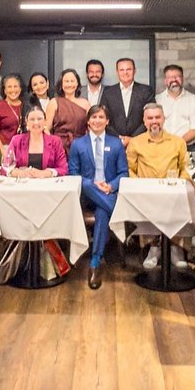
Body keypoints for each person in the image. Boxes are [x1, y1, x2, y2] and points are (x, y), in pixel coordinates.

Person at [68, 106, 128, 290]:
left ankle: (95, 262)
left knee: (102, 213)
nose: (97, 120)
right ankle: (121, 215)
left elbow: (123, 173)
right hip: (86, 194)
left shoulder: (116, 144)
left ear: (107, 121)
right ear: (88, 121)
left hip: (108, 193)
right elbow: (73, 174)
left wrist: (111, 186)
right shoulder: (78, 144)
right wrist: (94, 185)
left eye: (101, 117)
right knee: (86, 184)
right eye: (93, 117)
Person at [126, 103, 191, 268]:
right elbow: (129, 169)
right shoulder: (136, 143)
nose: (154, 121)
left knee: (183, 203)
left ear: (163, 119)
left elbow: (186, 168)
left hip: (173, 192)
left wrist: (179, 185)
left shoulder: (178, 142)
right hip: (146, 193)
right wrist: (138, 185)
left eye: (157, 117)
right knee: (147, 204)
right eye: (150, 118)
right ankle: (153, 248)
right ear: (144, 121)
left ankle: (175, 247)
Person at [100, 58, 155, 147]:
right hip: (114, 142)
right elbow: (103, 117)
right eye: (122, 70)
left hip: (140, 143)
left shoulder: (146, 91)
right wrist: (119, 138)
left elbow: (150, 117)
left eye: (128, 69)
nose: (125, 73)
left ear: (134, 71)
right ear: (117, 72)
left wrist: (132, 139)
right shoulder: (108, 92)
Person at [6, 106, 69, 178]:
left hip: (48, 184)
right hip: (23, 183)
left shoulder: (56, 141)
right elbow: (5, 167)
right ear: (26, 122)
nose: (36, 122)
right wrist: (19, 173)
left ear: (45, 121)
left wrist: (46, 173)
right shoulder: (16, 140)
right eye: (32, 119)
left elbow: (63, 169)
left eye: (39, 119)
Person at [155, 64, 195, 153]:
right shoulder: (157, 100)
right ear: (165, 81)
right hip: (162, 148)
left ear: (183, 79)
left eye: (177, 76)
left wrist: (176, 144)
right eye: (170, 77)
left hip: (188, 148)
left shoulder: (194, 100)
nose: (174, 80)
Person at [45, 69, 90, 154]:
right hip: (59, 147)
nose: (69, 84)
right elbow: (46, 128)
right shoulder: (54, 102)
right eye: (66, 81)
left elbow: (90, 127)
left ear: (77, 83)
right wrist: (53, 144)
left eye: (72, 81)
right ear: (61, 84)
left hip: (81, 146)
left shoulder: (85, 103)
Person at [0, 73, 27, 151]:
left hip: (26, 149)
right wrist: (3, 150)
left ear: (20, 89)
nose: (13, 90)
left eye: (15, 86)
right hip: (6, 148)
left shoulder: (28, 106)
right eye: (9, 87)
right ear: (4, 90)